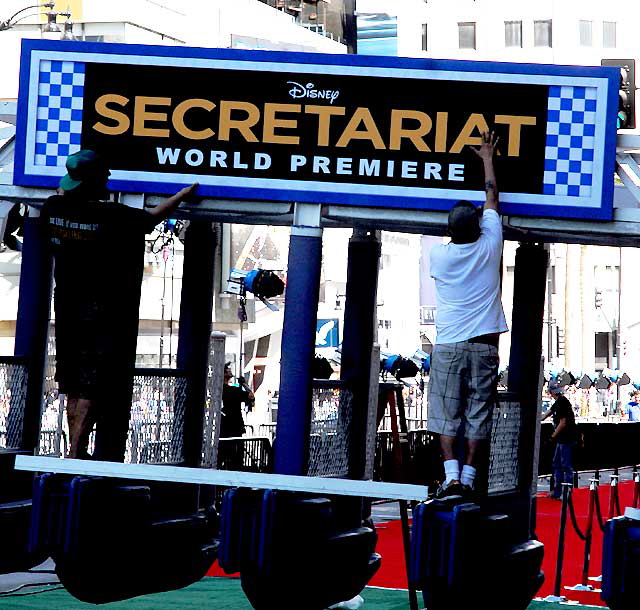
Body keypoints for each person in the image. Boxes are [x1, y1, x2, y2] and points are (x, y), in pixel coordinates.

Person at [40, 149, 198, 459]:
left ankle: (73, 450)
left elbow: (62, 193)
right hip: (98, 312)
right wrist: (182, 194)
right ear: (99, 181)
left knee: (72, 383)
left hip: (66, 308)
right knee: (90, 385)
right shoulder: (111, 216)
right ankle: (76, 453)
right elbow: (153, 218)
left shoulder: (53, 209)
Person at [426, 131, 507, 499]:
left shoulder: (439, 258)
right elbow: (492, 195)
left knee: (445, 413)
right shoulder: (491, 243)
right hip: (485, 345)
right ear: (477, 227)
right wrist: (487, 157)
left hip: (448, 344)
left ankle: (451, 477)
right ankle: (471, 480)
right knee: (478, 414)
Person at [542, 380, 578, 499]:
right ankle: (557, 491)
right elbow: (548, 412)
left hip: (566, 437)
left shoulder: (563, 403)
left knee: (565, 465)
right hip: (562, 438)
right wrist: (539, 418)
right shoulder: (559, 402)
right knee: (557, 463)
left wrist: (553, 436)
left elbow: (563, 423)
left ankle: (566, 492)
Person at [220, 362, 254, 439]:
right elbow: (251, 396)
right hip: (235, 426)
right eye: (228, 369)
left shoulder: (219, 390)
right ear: (224, 374)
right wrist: (244, 384)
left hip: (222, 426)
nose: (230, 370)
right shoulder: (233, 391)